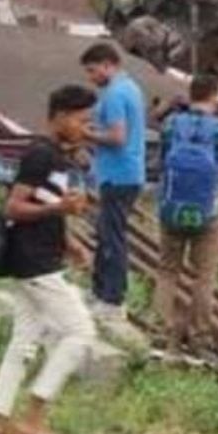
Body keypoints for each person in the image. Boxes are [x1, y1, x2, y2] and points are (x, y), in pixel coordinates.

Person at [0, 85, 97, 434]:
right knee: (81, 332)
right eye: (83, 120)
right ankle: (33, 418)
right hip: (35, 264)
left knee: (22, 343)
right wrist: (60, 211)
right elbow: (13, 208)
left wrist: (70, 242)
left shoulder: (56, 158)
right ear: (62, 116)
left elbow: (47, 204)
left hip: (36, 259)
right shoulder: (40, 155)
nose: (87, 128)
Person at [153, 74, 218, 359]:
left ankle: (158, 333)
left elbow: (162, 161)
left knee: (168, 271)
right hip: (207, 212)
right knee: (203, 277)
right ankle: (199, 338)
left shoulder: (171, 123)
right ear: (214, 95)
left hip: (171, 208)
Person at [80, 42, 146, 327]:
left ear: (108, 64)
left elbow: (118, 137)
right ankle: (100, 292)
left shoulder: (116, 93)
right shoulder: (130, 87)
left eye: (93, 71)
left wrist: (86, 134)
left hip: (118, 175)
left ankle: (112, 299)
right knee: (105, 233)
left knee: (112, 239)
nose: (91, 78)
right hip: (123, 174)